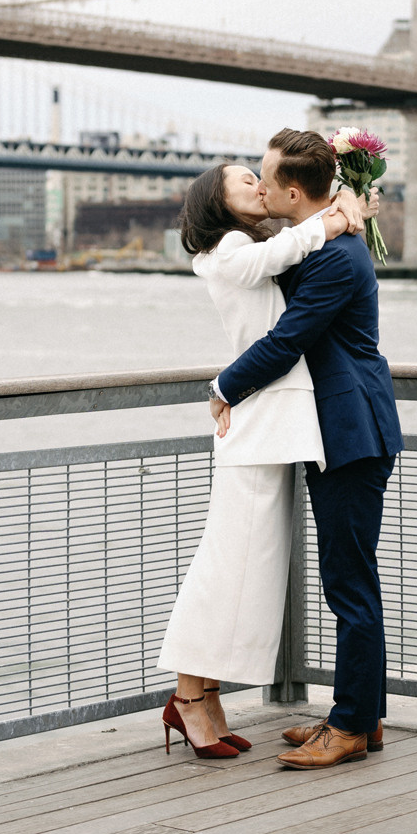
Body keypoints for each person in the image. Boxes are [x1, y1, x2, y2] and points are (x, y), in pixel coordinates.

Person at [154, 160, 364, 759]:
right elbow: (282, 256)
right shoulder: (229, 250)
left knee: (254, 568)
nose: (259, 186)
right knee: (229, 565)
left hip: (275, 424)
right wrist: (333, 214)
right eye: (245, 181)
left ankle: (204, 690)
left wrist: (344, 204)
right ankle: (189, 695)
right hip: (255, 426)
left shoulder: (251, 245)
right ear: (217, 202)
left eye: (259, 176)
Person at [210, 128, 403, 770]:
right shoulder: (320, 241)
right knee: (348, 578)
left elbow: (288, 338)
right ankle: (361, 715)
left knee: (350, 583)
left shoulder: (336, 258)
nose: (260, 188)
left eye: (266, 179)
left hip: (353, 431)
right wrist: (346, 203)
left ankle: (350, 726)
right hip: (341, 428)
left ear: (294, 192)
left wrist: (223, 388)